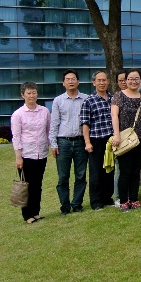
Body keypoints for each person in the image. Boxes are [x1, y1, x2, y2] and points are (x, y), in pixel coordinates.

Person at [111, 69, 141, 212]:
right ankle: (124, 201)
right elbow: (114, 116)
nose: (133, 81)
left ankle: (134, 199)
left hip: (139, 139)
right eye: (130, 79)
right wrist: (116, 135)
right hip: (124, 140)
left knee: (136, 171)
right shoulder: (119, 96)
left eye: (136, 79)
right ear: (125, 80)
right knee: (124, 172)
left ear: (140, 80)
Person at [49, 69, 88, 216]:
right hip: (63, 142)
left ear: (78, 81)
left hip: (80, 142)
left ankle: (77, 203)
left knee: (81, 175)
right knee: (63, 177)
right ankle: (65, 206)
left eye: (73, 79)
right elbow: (54, 123)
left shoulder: (86, 99)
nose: (71, 81)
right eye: (68, 79)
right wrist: (53, 144)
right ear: (63, 83)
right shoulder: (58, 101)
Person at [11, 82, 51, 224]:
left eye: (34, 92)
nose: (31, 95)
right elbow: (16, 137)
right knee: (27, 185)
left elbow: (48, 131)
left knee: (38, 185)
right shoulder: (18, 114)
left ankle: (36, 212)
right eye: (28, 93)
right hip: (26, 155)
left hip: (42, 153)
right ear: (23, 95)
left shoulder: (44, 111)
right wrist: (18, 157)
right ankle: (27, 215)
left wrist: (51, 145)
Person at [80, 71, 115, 210]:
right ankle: (96, 201)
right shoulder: (89, 101)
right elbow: (85, 123)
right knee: (96, 172)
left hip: (110, 140)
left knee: (109, 170)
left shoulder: (113, 99)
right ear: (94, 82)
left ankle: (107, 198)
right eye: (99, 80)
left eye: (104, 80)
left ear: (108, 82)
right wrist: (87, 142)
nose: (102, 83)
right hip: (95, 140)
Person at [112, 70, 127, 207]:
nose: (124, 82)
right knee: (120, 169)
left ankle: (130, 196)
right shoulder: (116, 97)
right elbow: (114, 117)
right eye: (121, 80)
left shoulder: (138, 95)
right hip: (120, 138)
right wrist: (117, 135)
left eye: (125, 79)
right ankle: (118, 197)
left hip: (134, 138)